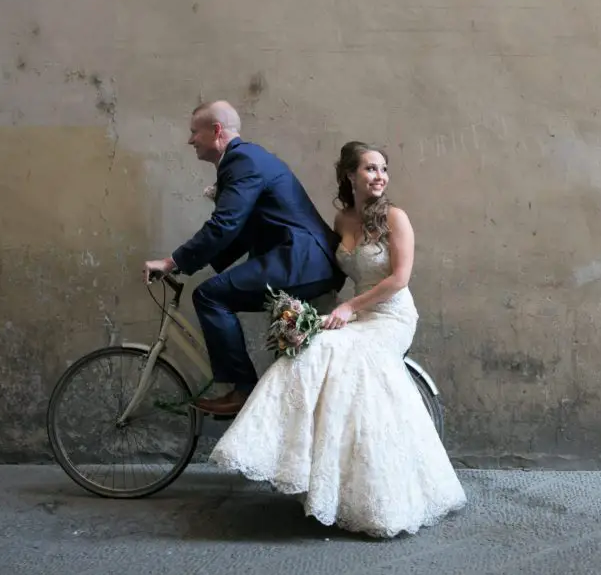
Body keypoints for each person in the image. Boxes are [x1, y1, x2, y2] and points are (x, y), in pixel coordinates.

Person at [207, 141, 467, 538]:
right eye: (369, 169)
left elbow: (399, 279)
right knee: (307, 348)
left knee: (342, 353)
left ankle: (378, 491)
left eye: (383, 169)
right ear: (350, 176)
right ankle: (314, 476)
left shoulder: (396, 218)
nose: (379, 176)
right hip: (357, 312)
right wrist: (304, 312)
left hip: (390, 317)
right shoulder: (343, 219)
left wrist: (348, 309)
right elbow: (322, 262)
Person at [143, 101, 345, 416]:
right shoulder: (246, 160)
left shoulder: (243, 161)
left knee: (209, 296)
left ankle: (242, 392)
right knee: (215, 292)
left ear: (216, 131)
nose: (190, 140)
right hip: (301, 260)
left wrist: (171, 262)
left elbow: (224, 225)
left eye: (194, 132)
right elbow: (239, 232)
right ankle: (253, 397)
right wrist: (190, 265)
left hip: (302, 260)